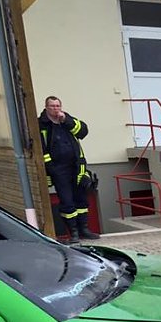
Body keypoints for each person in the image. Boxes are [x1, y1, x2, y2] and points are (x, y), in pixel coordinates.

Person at [38, 96, 99, 242]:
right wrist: (51, 168)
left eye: (58, 106)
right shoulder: (41, 124)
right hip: (59, 169)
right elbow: (41, 147)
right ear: (46, 108)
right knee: (67, 201)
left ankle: (84, 230)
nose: (56, 109)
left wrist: (66, 120)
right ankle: (74, 233)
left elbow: (83, 131)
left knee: (81, 199)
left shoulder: (67, 120)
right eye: (52, 106)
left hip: (76, 167)